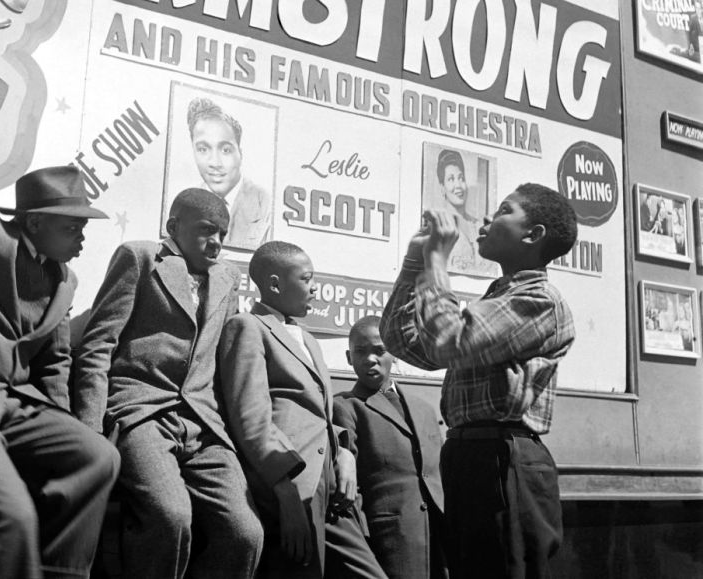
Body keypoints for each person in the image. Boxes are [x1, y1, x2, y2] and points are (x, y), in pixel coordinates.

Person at [380, 183, 578, 579]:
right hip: (470, 458)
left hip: (506, 461)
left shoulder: (541, 299)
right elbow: (403, 341)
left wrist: (437, 259)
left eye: (505, 210)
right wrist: (416, 263)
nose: (487, 219)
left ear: (533, 235)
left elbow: (447, 341)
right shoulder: (498, 298)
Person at [73, 188, 263, 579]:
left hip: (203, 423)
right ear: (173, 226)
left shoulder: (227, 277)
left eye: (224, 235)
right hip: (140, 412)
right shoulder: (140, 258)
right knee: (170, 516)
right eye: (207, 231)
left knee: (245, 533)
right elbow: (97, 345)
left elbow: (223, 361)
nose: (217, 243)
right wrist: (89, 432)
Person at [0, 165, 120, 579]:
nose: (82, 238)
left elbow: (55, 364)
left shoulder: (65, 281)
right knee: (10, 517)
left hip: (11, 400)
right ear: (36, 221)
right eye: (73, 227)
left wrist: (66, 424)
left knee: (98, 457)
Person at [218, 241, 387, 579]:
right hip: (292, 487)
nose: (314, 288)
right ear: (275, 284)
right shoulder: (247, 327)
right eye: (307, 279)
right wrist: (286, 491)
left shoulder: (308, 339)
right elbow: (250, 417)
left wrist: (345, 453)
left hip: (332, 488)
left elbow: (318, 414)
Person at [333, 316, 448, 579]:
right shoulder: (345, 407)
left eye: (379, 351)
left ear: (394, 354)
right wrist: (363, 544)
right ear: (349, 358)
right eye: (361, 352)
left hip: (440, 535)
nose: (371, 359)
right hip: (389, 541)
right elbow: (352, 488)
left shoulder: (424, 408)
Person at [187, 96, 271, 251]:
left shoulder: (264, 203)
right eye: (203, 149)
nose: (215, 163)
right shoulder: (186, 206)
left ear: (240, 154)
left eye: (225, 150)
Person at [434, 149, 493, 276]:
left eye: (461, 178)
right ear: (442, 187)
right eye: (451, 179)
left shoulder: (480, 226)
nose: (458, 185)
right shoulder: (438, 231)